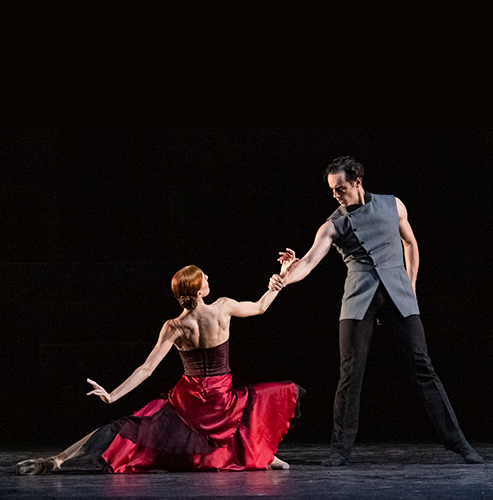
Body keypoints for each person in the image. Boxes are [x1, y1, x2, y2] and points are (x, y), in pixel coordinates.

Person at [273, 155, 482, 466]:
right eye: (332, 190)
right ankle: (339, 452)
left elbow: (410, 243)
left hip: (399, 294)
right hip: (359, 298)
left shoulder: (392, 205)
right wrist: (286, 275)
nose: (335, 194)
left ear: (357, 181)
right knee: (350, 375)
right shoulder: (333, 224)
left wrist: (409, 287)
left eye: (340, 188)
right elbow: (308, 262)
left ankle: (460, 444)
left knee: (423, 368)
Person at [17, 265, 303, 475]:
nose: (208, 279)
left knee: (128, 425)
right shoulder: (222, 308)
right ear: (199, 289)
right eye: (205, 278)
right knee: (258, 401)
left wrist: (113, 396)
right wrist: (278, 281)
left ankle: (58, 459)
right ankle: (265, 454)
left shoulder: (175, 326)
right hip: (219, 397)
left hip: (188, 400)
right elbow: (260, 307)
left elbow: (147, 368)